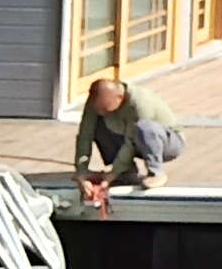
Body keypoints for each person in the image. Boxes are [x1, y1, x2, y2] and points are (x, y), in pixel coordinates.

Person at [72, 70, 183, 213]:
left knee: (144, 128)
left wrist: (111, 175)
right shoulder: (96, 102)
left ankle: (156, 173)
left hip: (167, 143)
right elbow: (85, 135)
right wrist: (82, 171)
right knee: (98, 124)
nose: (103, 112)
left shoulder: (140, 102)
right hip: (131, 139)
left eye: (106, 109)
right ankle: (126, 173)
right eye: (99, 109)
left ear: (120, 97)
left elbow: (130, 143)